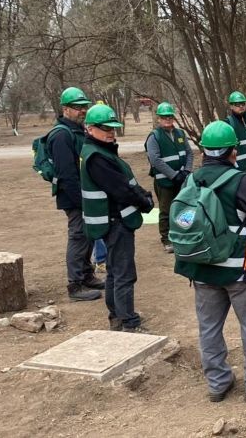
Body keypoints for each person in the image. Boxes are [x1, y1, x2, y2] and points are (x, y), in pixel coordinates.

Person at [174, 121, 246, 404]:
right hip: (240, 269)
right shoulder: (242, 181)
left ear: (204, 152)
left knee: (209, 327)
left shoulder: (191, 181)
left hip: (202, 268)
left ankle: (218, 383)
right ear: (233, 151)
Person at [80, 104, 154, 332]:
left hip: (111, 221)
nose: (111, 132)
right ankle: (128, 322)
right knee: (123, 273)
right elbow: (121, 190)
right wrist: (144, 202)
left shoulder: (99, 152)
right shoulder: (97, 157)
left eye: (113, 127)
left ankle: (117, 316)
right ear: (90, 129)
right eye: (105, 128)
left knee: (114, 271)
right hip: (116, 221)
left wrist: (143, 194)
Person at [49, 87, 105, 301]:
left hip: (85, 194)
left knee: (88, 235)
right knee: (78, 236)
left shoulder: (76, 130)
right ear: (65, 109)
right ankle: (75, 284)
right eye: (77, 107)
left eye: (84, 107)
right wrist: (81, 201)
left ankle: (87, 275)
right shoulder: (62, 135)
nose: (82, 110)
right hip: (74, 196)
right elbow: (67, 175)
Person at [145, 102, 194, 253]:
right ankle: (166, 239)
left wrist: (186, 171)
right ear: (158, 118)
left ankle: (182, 235)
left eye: (170, 116)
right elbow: (155, 160)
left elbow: (189, 153)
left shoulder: (180, 134)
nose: (167, 119)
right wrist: (173, 175)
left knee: (183, 208)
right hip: (164, 181)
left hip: (182, 179)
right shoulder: (154, 136)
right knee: (166, 211)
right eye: (164, 117)